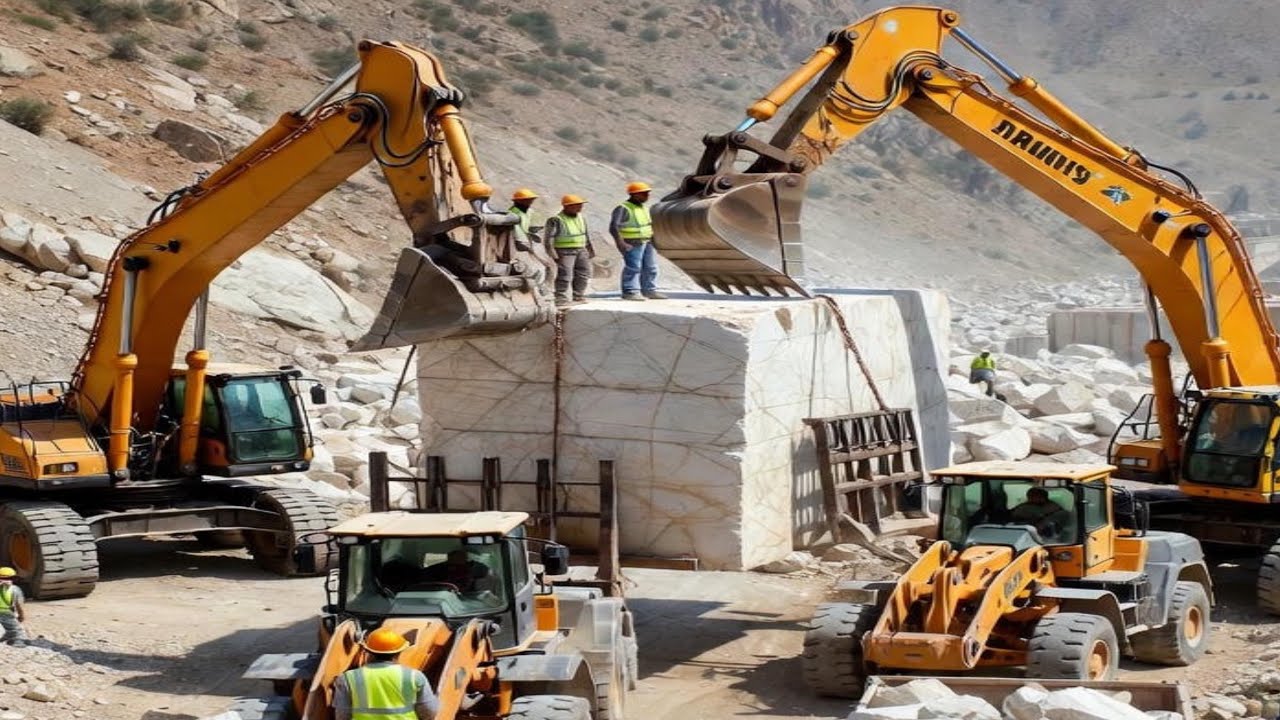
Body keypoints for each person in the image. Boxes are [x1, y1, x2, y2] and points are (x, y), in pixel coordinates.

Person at [334, 628, 439, 720]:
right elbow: (429, 712)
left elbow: (342, 715)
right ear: (399, 652)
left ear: (368, 651)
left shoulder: (348, 678)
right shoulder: (414, 676)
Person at [610, 181, 666, 301]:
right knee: (633, 268)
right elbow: (614, 227)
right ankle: (630, 292)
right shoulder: (623, 208)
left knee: (650, 267)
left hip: (647, 241)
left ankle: (649, 290)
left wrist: (654, 240)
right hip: (632, 242)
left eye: (648, 193)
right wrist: (621, 243)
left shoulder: (643, 208)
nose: (647, 196)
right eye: (644, 194)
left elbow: (648, 225)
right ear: (635, 194)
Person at [544, 194, 595, 306]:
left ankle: (578, 296)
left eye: (581, 205)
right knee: (565, 275)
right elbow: (548, 240)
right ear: (567, 206)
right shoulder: (556, 220)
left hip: (581, 250)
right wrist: (553, 255)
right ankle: (560, 299)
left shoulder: (581, 218)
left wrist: (590, 249)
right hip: (565, 252)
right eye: (577, 205)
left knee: (583, 274)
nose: (580, 208)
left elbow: (585, 235)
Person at [508, 187, 555, 298]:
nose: (530, 202)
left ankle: (545, 289)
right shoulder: (512, 214)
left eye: (531, 200)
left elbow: (532, 224)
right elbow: (516, 232)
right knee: (535, 268)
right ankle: (538, 290)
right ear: (518, 201)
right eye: (527, 200)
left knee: (549, 265)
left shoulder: (528, 212)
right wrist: (526, 245)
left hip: (527, 242)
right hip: (519, 244)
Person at [422, 549, 491, 593]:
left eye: (461, 557)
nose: (458, 559)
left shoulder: (475, 568)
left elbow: (484, 573)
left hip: (467, 597)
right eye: (454, 557)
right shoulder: (437, 569)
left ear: (466, 559)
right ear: (449, 558)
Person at [0, 567, 28, 648]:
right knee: (16, 629)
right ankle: (18, 642)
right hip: (6, 612)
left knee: (8, 627)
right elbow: (19, 604)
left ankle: (8, 636)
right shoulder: (15, 589)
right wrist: (21, 615)